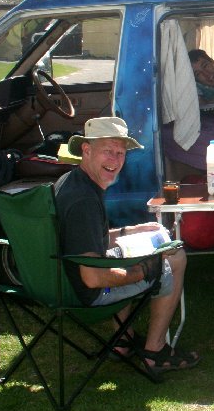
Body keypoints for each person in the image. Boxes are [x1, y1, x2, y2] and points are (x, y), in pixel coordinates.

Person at [55, 116, 200, 372]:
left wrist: (130, 231)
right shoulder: (84, 202)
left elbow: (86, 240)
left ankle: (123, 339)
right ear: (86, 150)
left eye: (120, 153)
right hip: (86, 292)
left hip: (63, 277)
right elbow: (93, 278)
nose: (115, 160)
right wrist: (142, 270)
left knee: (131, 248)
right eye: (107, 151)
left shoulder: (71, 182)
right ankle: (154, 351)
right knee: (174, 257)